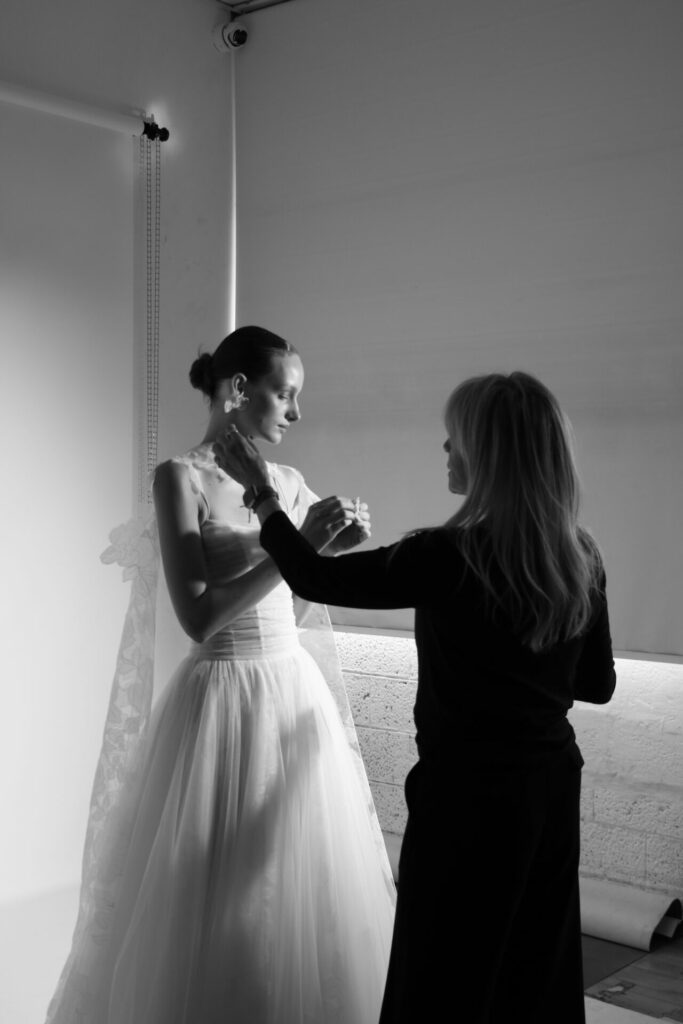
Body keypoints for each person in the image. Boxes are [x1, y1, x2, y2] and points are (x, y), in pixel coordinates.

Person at [214, 370, 617, 1024]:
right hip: (547, 788)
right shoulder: (580, 555)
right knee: (530, 958)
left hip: (463, 795)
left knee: (443, 967)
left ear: (485, 453)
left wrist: (261, 494)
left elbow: (312, 574)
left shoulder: (447, 555)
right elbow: (595, 685)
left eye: (452, 440)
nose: (445, 452)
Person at [46, 326, 395, 1024]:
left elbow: (291, 610)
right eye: (284, 394)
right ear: (238, 390)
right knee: (209, 894)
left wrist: (326, 554)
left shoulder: (289, 484)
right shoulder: (180, 477)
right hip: (218, 700)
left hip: (291, 692)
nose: (294, 413)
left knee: (294, 890)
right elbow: (198, 618)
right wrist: (296, 549)